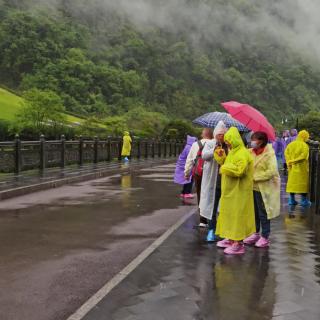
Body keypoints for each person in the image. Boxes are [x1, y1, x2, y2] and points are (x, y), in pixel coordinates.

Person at [214, 127, 256, 255]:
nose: (227, 143)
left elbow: (239, 170)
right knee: (229, 215)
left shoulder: (243, 153)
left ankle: (238, 243)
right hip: (230, 191)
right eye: (226, 141)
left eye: (229, 141)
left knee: (237, 216)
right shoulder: (232, 152)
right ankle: (231, 238)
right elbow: (226, 164)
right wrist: (220, 156)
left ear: (235, 140)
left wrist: (225, 167)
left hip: (240, 191)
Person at [244, 132, 281, 248]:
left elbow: (272, 171)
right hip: (252, 188)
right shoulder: (250, 152)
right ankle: (255, 233)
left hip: (264, 189)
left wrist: (256, 177)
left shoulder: (269, 154)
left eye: (254, 139)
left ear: (261, 141)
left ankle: (265, 236)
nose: (252, 142)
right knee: (253, 212)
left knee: (263, 213)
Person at [200, 121, 228, 242]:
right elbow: (204, 156)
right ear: (215, 134)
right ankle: (211, 229)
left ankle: (223, 231)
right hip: (212, 181)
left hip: (226, 181)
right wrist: (214, 151)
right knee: (212, 206)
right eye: (219, 134)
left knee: (224, 208)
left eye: (223, 134)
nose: (221, 136)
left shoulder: (228, 145)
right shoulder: (210, 143)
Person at [185, 128, 213, 227]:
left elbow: (190, 160)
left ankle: (202, 220)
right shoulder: (216, 144)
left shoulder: (195, 144)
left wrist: (187, 173)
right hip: (211, 174)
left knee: (200, 194)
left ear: (203, 134)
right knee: (211, 195)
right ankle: (212, 219)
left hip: (199, 173)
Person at [285, 130, 311, 207]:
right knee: (302, 184)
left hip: (292, 168)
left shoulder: (291, 144)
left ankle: (291, 199)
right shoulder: (304, 145)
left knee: (292, 184)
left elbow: (286, 153)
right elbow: (303, 156)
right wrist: (294, 161)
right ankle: (304, 200)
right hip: (301, 168)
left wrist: (289, 162)